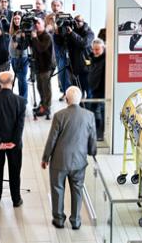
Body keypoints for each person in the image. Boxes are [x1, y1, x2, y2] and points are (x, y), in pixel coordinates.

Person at [41, 86, 97, 229]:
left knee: (57, 188)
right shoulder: (89, 115)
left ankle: (59, 219)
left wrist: (45, 158)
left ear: (66, 99)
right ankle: (76, 221)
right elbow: (92, 139)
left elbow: (52, 139)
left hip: (59, 161)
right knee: (77, 190)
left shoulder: (59, 116)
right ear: (80, 99)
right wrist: (92, 152)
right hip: (79, 162)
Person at [0, 71, 26, 207]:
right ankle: (16, 199)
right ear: (13, 81)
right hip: (14, 145)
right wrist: (13, 142)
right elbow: (20, 125)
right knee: (15, 172)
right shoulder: (20, 101)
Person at [45, 0, 71, 101]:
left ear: (61, 6)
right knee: (52, 71)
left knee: (62, 70)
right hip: (51, 45)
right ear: (51, 6)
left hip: (62, 45)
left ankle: (66, 92)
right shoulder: (48, 17)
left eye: (58, 5)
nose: (56, 7)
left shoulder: (65, 16)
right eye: (54, 5)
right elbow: (46, 30)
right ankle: (60, 90)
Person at [30, 18, 55, 117]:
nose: (36, 25)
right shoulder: (35, 35)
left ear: (43, 24)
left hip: (47, 65)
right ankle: (42, 104)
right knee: (39, 86)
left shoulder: (47, 36)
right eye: (35, 23)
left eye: (39, 23)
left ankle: (47, 108)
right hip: (38, 65)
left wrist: (35, 38)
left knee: (46, 87)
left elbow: (41, 49)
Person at [66, 15, 94, 97]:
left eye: (79, 21)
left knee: (88, 92)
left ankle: (89, 109)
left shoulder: (89, 32)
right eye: (75, 21)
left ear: (83, 22)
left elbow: (83, 43)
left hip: (86, 66)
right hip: (75, 66)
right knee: (78, 93)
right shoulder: (73, 31)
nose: (77, 23)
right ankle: (80, 108)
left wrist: (72, 33)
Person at [86, 38, 106, 141]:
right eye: (93, 49)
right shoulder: (93, 57)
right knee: (93, 109)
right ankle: (94, 131)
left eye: (97, 49)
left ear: (103, 48)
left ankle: (101, 133)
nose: (95, 52)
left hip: (102, 89)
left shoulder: (106, 59)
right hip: (94, 89)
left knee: (102, 110)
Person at [9, 11, 29, 102]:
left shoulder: (24, 30)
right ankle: (21, 98)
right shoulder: (12, 29)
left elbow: (24, 45)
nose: (16, 21)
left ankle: (23, 99)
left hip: (22, 57)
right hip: (13, 57)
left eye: (18, 19)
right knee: (19, 78)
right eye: (15, 19)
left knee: (22, 79)